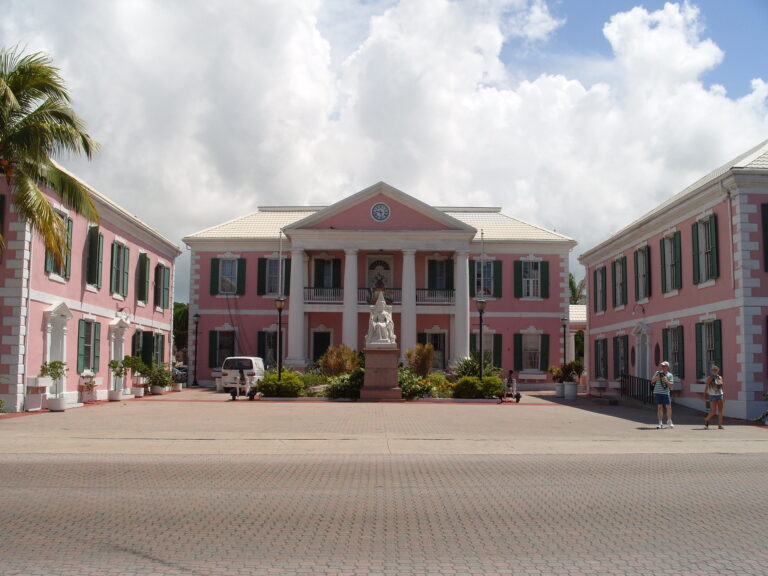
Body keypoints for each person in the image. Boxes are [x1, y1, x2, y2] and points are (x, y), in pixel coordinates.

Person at [651, 361, 674, 428]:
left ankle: (669, 421)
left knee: (668, 407)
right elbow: (652, 381)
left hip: (666, 393)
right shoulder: (657, 373)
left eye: (664, 366)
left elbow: (671, 385)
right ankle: (660, 422)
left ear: (667, 367)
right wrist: (657, 377)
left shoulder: (670, 375)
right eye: (662, 366)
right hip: (657, 392)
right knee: (659, 407)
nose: (663, 367)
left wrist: (666, 381)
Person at [703, 365, 725, 429]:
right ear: (711, 371)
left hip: (720, 395)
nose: (714, 371)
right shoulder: (709, 378)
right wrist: (704, 396)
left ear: (718, 371)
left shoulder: (720, 377)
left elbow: (722, 386)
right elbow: (706, 387)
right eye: (713, 370)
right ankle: (707, 419)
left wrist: (724, 395)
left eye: (716, 370)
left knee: (720, 411)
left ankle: (720, 425)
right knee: (713, 411)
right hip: (712, 395)